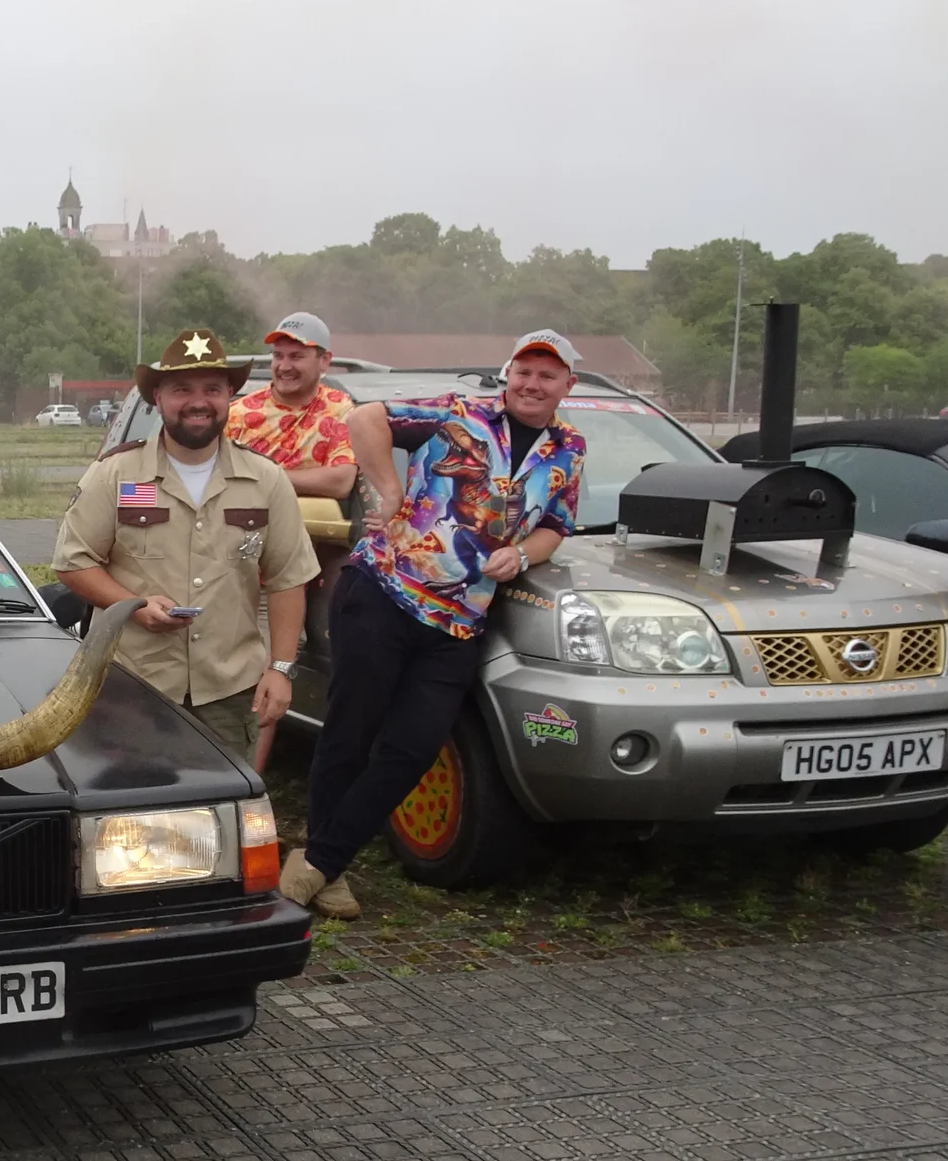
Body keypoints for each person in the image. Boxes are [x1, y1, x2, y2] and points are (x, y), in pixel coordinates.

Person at [285, 329, 587, 920]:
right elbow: (366, 418)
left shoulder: (569, 449)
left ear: (566, 386)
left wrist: (525, 555)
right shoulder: (460, 415)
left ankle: (317, 862)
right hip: (384, 593)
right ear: (509, 376)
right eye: (524, 371)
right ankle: (329, 865)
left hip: (459, 623)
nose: (532, 383)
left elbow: (556, 522)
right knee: (351, 732)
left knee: (413, 748)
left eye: (547, 375)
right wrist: (388, 486)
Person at [54, 327, 320, 779]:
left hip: (229, 688)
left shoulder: (265, 480)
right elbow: (73, 562)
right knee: (131, 817)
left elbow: (288, 578)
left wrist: (280, 668)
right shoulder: (118, 475)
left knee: (224, 811)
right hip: (133, 687)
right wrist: (132, 607)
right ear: (158, 397)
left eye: (212, 389)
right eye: (182, 390)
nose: (198, 402)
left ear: (230, 396)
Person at [225, 312, 358, 502]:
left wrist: (258, 477)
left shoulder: (338, 408)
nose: (284, 367)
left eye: (296, 357)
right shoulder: (236, 414)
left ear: (324, 361)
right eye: (278, 356)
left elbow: (340, 482)